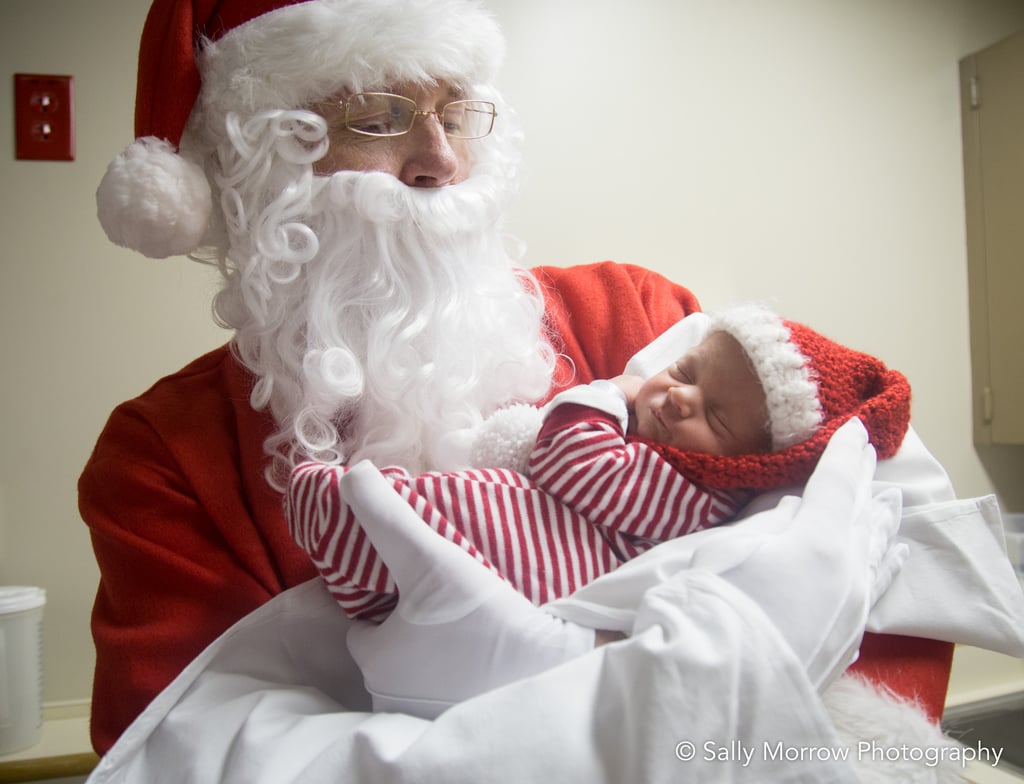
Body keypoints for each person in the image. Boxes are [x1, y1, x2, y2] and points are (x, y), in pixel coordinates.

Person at [78, 0, 1017, 780]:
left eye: (457, 111)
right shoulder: (162, 459)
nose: (440, 159)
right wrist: (649, 705)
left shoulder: (638, 317)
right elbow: (191, 752)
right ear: (256, 173)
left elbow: (874, 523)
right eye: (377, 117)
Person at [288, 302, 912, 622]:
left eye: (715, 417)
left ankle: (348, 519)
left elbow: (567, 461)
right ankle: (370, 555)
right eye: (685, 372)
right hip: (523, 562)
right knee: (464, 510)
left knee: (469, 515)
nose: (678, 397)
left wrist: (609, 393)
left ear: (746, 466)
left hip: (551, 570)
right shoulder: (666, 462)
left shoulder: (692, 493)